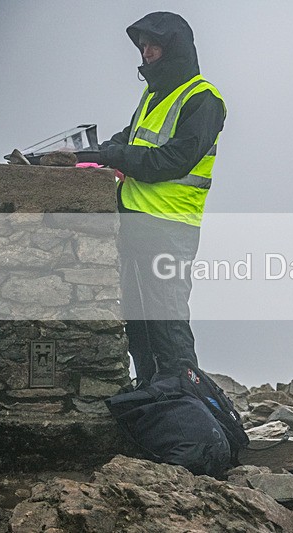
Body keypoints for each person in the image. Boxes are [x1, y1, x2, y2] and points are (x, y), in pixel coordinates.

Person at [79, 12, 226, 383]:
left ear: (174, 47)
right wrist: (91, 153)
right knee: (138, 325)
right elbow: (129, 139)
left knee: (167, 324)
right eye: (143, 47)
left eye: (154, 46)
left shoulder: (204, 99)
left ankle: (186, 408)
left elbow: (172, 161)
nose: (146, 54)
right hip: (134, 222)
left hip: (170, 229)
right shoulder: (154, 94)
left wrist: (113, 156)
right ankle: (152, 396)